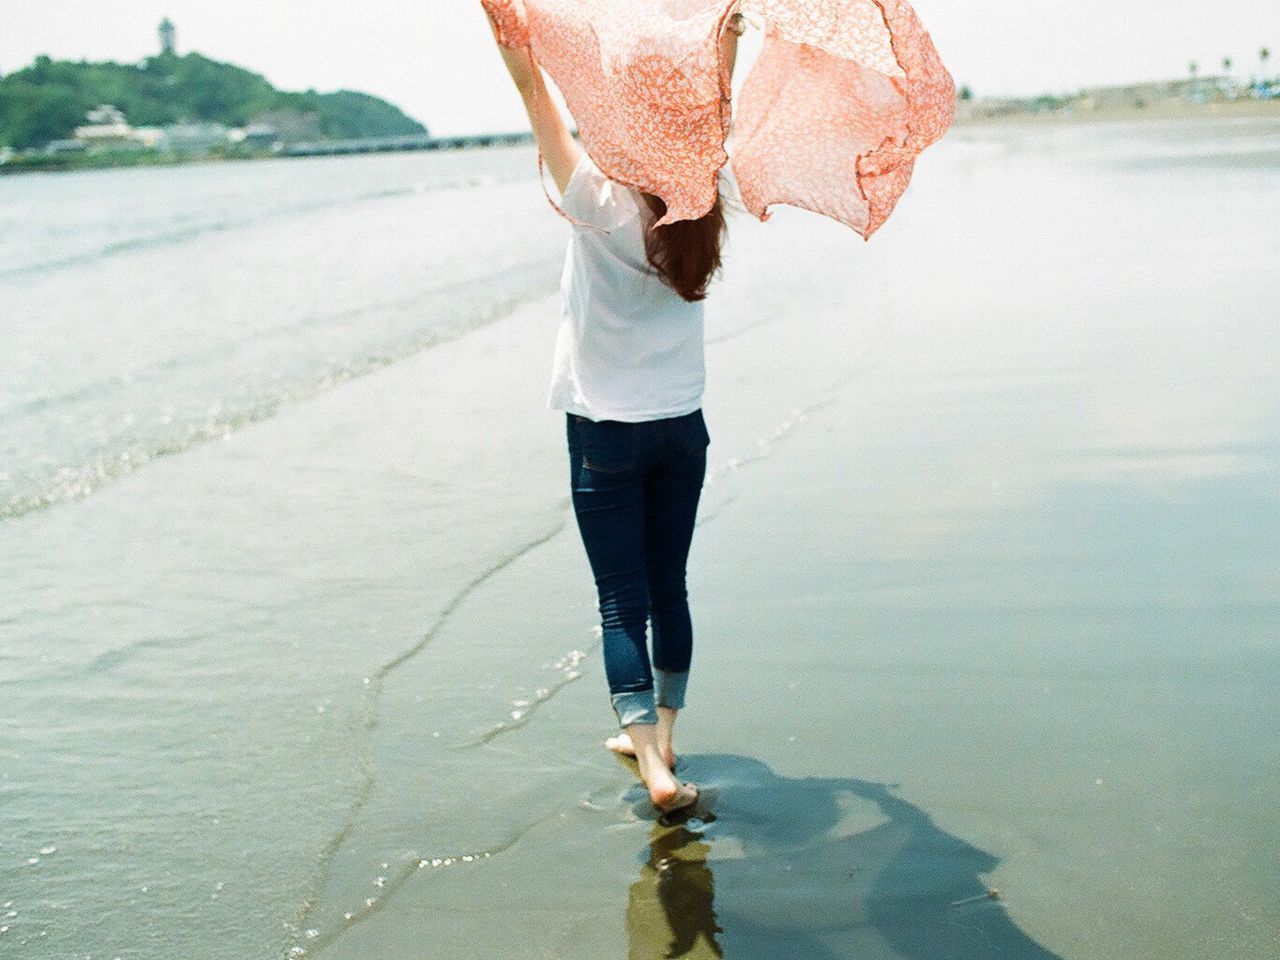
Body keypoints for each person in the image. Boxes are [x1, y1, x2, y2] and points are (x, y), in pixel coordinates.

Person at [486, 8, 747, 816]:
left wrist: (506, 23)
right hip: (682, 428)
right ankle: (662, 740)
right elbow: (719, 106)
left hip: (604, 430)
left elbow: (533, 87)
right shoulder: (705, 192)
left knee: (618, 599)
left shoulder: (591, 193)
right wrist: (728, 37)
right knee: (670, 586)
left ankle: (654, 767)